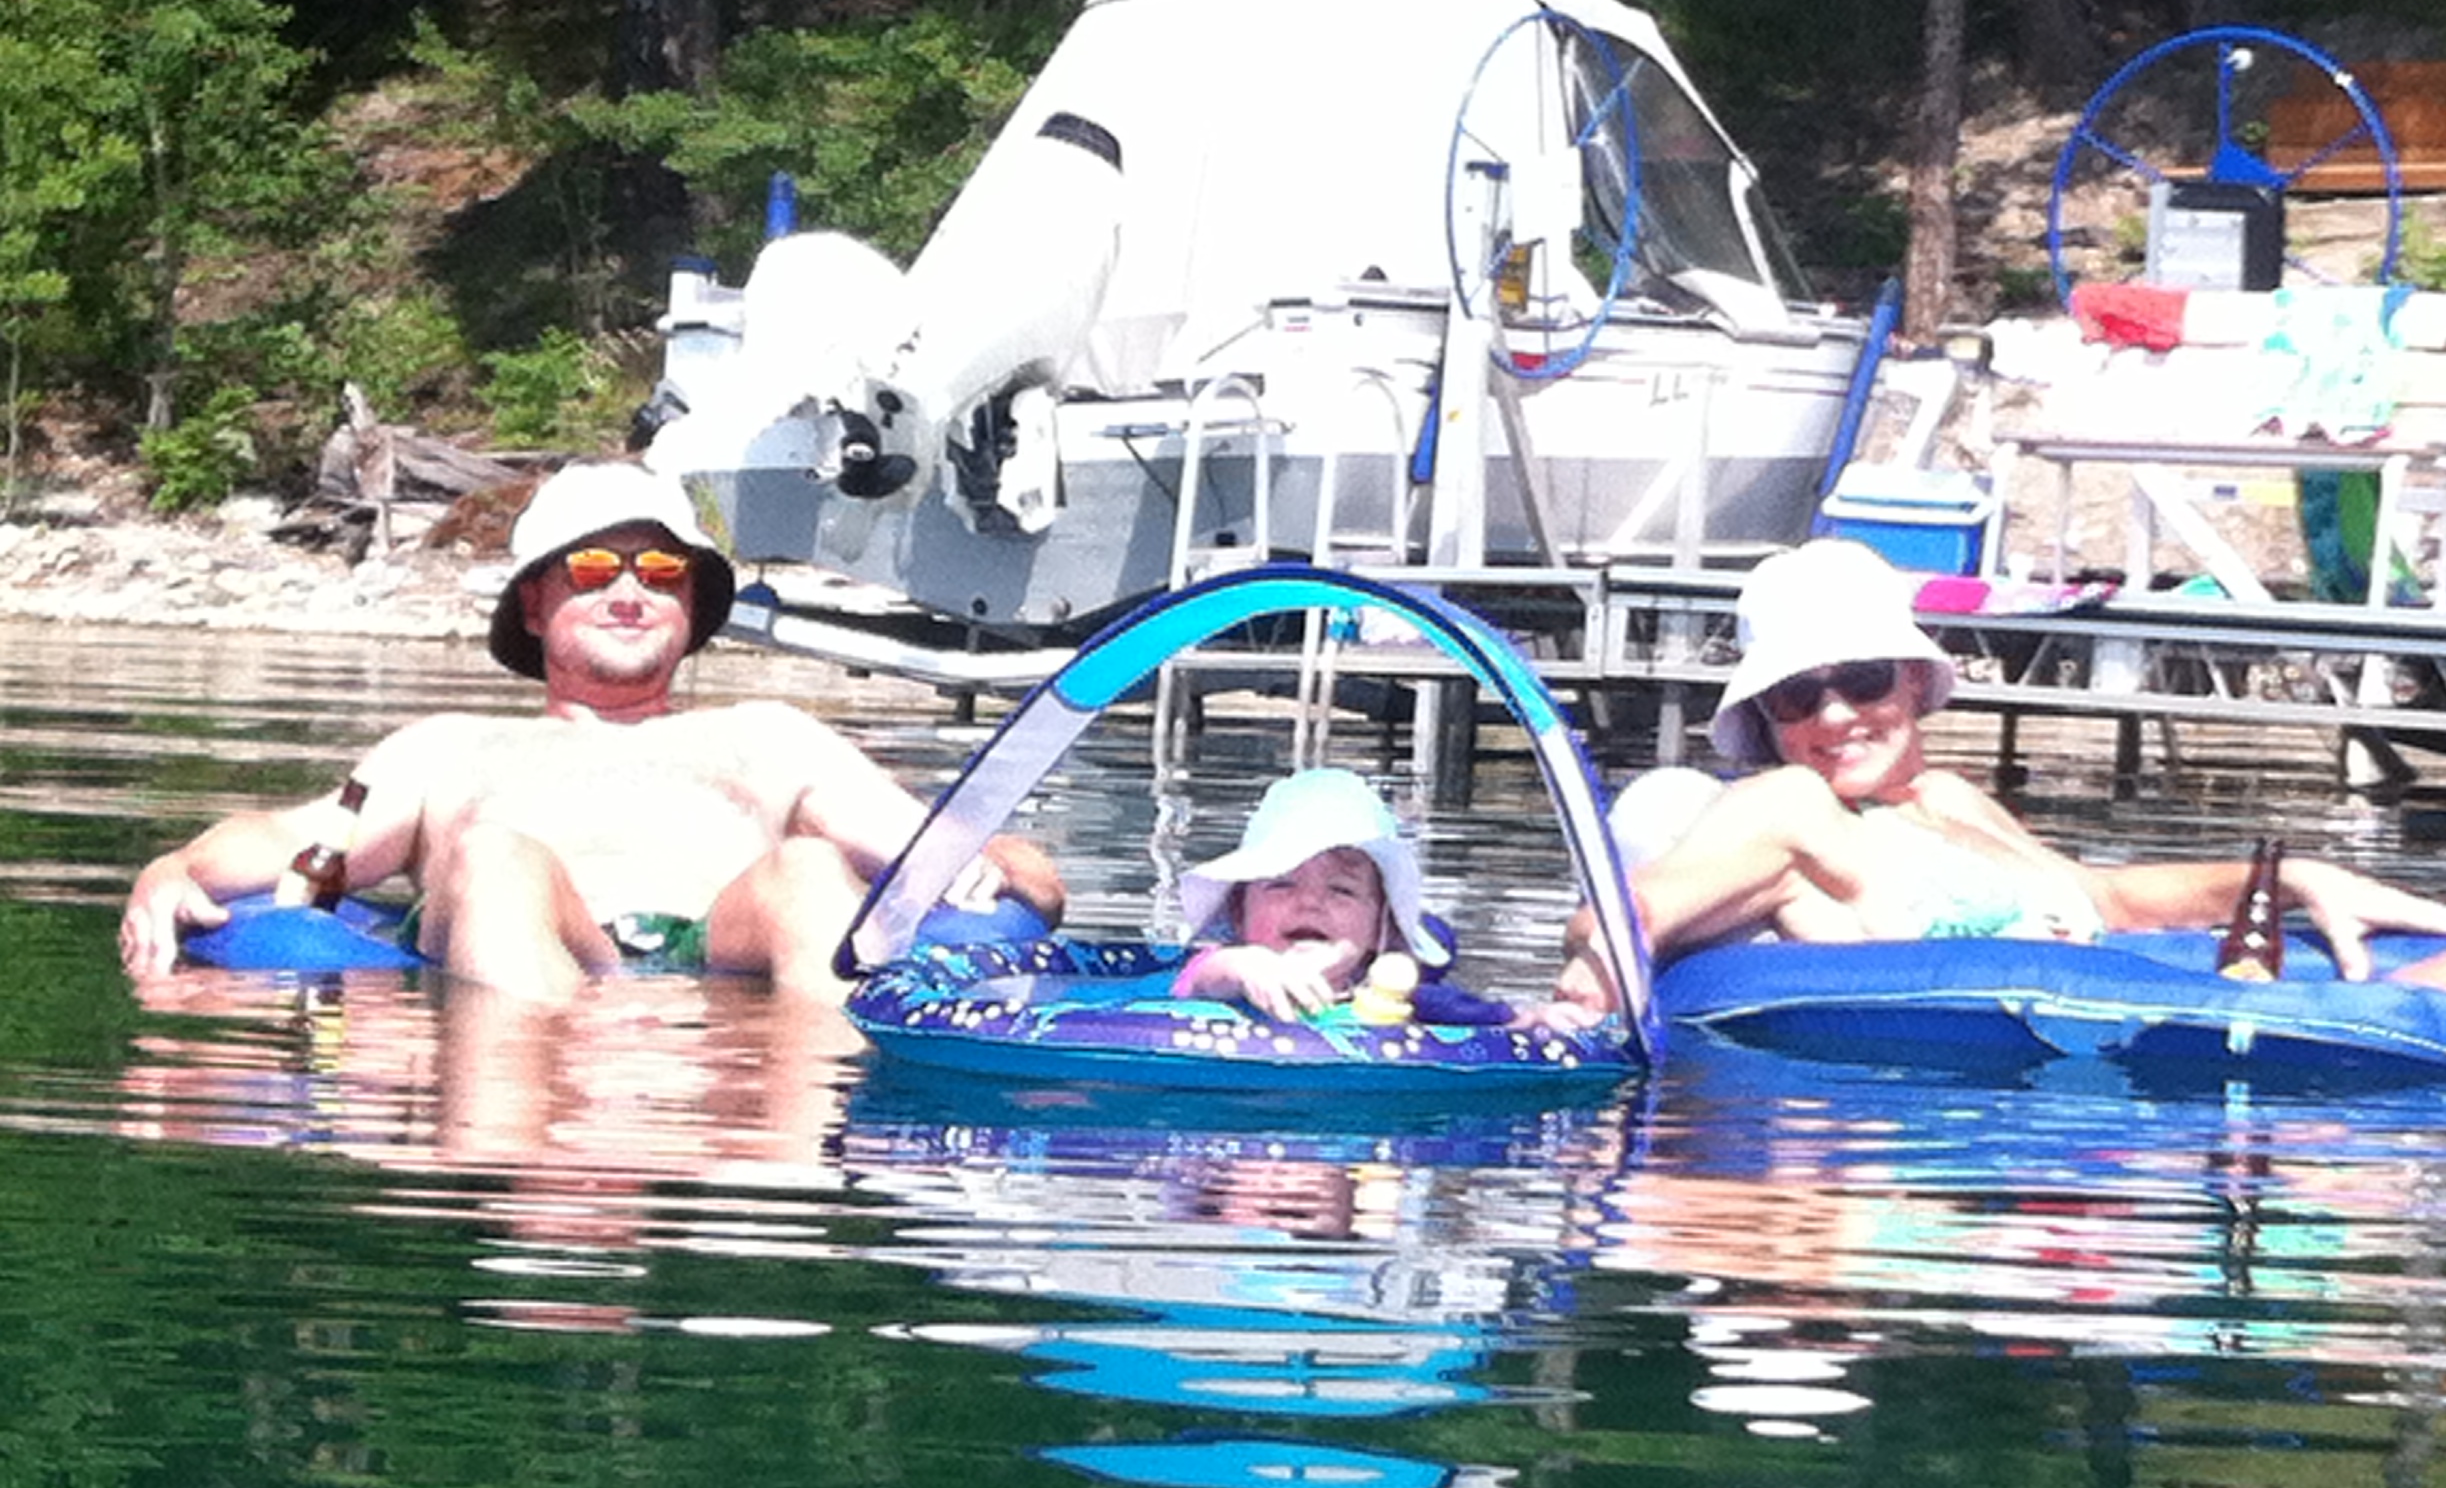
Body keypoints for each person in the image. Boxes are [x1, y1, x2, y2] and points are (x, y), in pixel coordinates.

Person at [1561, 536, 2446, 1061]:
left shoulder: (1950, 798)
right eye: (1798, 695)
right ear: (1767, 716)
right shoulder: (1787, 803)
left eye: (1862, 679)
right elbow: (1625, 911)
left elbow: (2106, 900)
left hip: (2150, 992)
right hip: (2114, 1042)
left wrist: (2290, 877)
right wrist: (1575, 1005)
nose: (1835, 715)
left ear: (1912, 680)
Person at [120, 459, 1064, 1003]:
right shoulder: (443, 751)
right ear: (534, 605)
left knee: (813, 869)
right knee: (496, 855)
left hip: (714, 989)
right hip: (518, 967)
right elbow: (298, 841)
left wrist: (1007, 867)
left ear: (691, 604)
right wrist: (174, 867)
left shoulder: (771, 738)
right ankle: (519, 1113)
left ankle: (818, 1134)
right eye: (593, 570)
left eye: (660, 571)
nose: (629, 592)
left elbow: (976, 858)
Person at [1170, 767, 1454, 1021]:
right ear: (1238, 913)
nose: (1310, 903)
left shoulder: (1394, 1005)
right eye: (1281, 884)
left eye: (1342, 890)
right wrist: (1242, 966)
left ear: (1382, 929)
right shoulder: (1228, 974)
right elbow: (1197, 978)